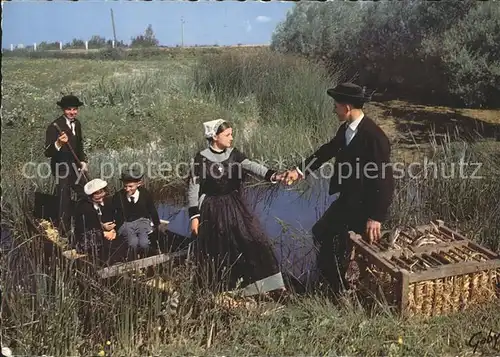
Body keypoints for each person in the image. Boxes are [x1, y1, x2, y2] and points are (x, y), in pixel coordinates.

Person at [284, 82, 394, 294]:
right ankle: (332, 284)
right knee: (322, 233)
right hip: (348, 200)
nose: (334, 109)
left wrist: (376, 217)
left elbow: (385, 180)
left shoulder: (375, 137)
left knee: (334, 239)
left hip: (365, 206)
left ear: (346, 107)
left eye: (336, 105)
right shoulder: (347, 129)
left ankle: (340, 287)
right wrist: (299, 171)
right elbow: (327, 151)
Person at [187, 118, 287, 297]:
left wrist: (273, 175)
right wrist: (194, 217)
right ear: (215, 137)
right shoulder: (201, 158)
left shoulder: (233, 154)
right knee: (221, 245)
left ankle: (263, 285)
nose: (231, 138)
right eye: (227, 134)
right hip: (213, 208)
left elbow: (251, 166)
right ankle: (224, 288)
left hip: (234, 205)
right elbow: (193, 188)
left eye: (231, 134)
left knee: (252, 237)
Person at [44, 94, 89, 236]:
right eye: (69, 109)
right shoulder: (54, 127)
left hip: (75, 166)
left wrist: (83, 161)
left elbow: (79, 145)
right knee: (64, 199)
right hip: (61, 168)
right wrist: (59, 143)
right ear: (63, 110)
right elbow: (47, 152)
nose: (72, 112)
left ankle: (84, 223)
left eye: (75, 109)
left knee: (86, 192)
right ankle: (64, 231)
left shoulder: (78, 124)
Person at [112, 167, 160, 258]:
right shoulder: (119, 196)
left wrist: (157, 224)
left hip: (142, 221)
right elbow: (114, 211)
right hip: (126, 223)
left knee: (144, 243)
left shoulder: (145, 193)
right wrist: (114, 227)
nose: (127, 189)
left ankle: (145, 259)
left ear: (139, 184)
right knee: (132, 243)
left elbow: (152, 209)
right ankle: (132, 260)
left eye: (130, 186)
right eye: (125, 186)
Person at [73, 178, 116, 261]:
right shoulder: (85, 208)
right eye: (96, 198)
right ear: (90, 197)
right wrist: (104, 233)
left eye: (102, 195)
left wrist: (111, 230)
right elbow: (86, 228)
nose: (100, 199)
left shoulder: (108, 202)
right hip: (88, 238)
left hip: (104, 233)